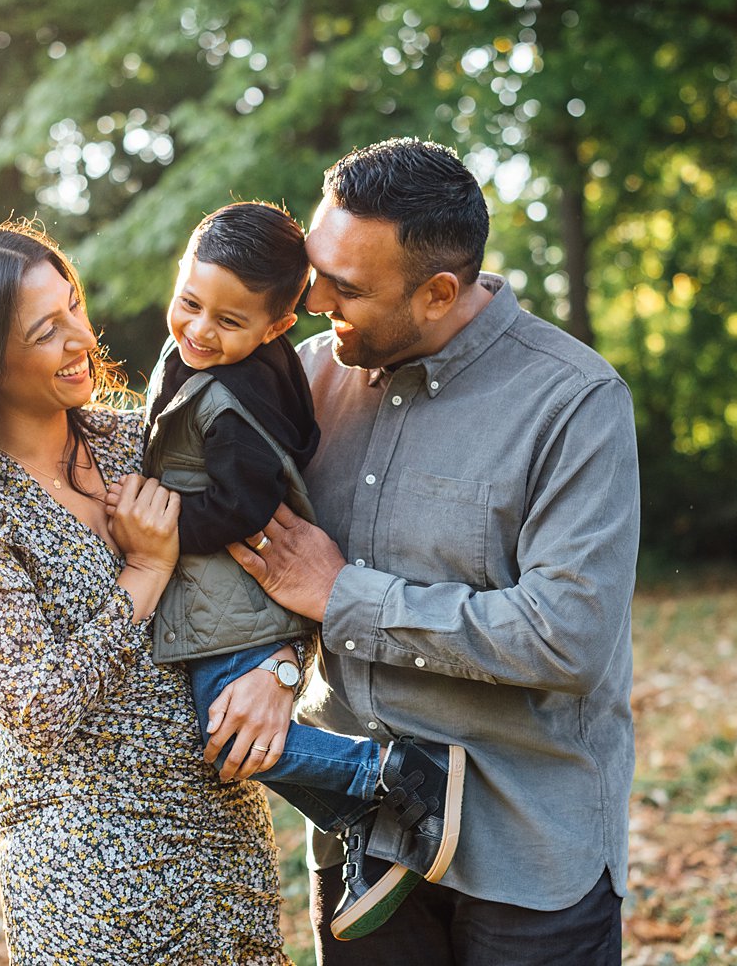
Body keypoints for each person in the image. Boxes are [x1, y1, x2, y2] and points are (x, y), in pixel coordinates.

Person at [227, 138, 640, 964]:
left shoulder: (575, 401)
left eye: (346, 289)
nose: (312, 302)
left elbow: (568, 635)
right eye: (317, 272)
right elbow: (198, 520)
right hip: (362, 844)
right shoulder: (303, 380)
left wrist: (345, 595)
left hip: (530, 852)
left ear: (440, 291)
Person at [0, 221, 290, 964]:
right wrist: (143, 576)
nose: (83, 337)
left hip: (222, 832)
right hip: (86, 863)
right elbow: (44, 705)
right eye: (47, 329)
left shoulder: (139, 438)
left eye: (75, 305)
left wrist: (280, 669)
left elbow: (277, 557)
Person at [132, 201, 466, 940]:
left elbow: (243, 506)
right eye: (189, 303)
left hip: (235, 596)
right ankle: (364, 819)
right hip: (221, 593)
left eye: (228, 321)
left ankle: (384, 778)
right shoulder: (216, 359)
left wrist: (157, 535)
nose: (197, 330)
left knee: (226, 738)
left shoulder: (234, 401)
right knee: (232, 739)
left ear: (277, 326)